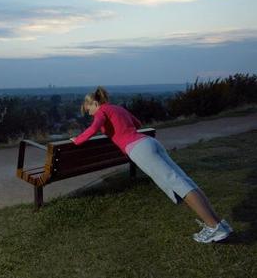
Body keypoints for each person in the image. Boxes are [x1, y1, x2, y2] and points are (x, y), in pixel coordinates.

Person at [70, 86, 233, 243]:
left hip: (139, 149)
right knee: (183, 180)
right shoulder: (118, 108)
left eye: (88, 110)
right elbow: (137, 124)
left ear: (94, 103)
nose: (90, 114)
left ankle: (214, 227)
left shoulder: (102, 111)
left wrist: (76, 140)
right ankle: (217, 224)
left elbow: (92, 129)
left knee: (178, 184)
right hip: (149, 142)